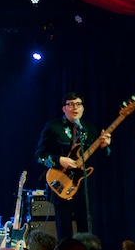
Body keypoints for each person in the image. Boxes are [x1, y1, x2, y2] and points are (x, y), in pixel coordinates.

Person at [34, 92, 111, 239]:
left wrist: (105, 147)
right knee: (64, 230)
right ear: (64, 108)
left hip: (84, 186)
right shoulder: (52, 127)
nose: (75, 107)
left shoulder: (91, 129)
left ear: (83, 108)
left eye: (78, 104)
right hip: (61, 183)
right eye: (70, 104)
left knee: (85, 229)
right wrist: (59, 160)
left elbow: (100, 162)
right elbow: (39, 156)